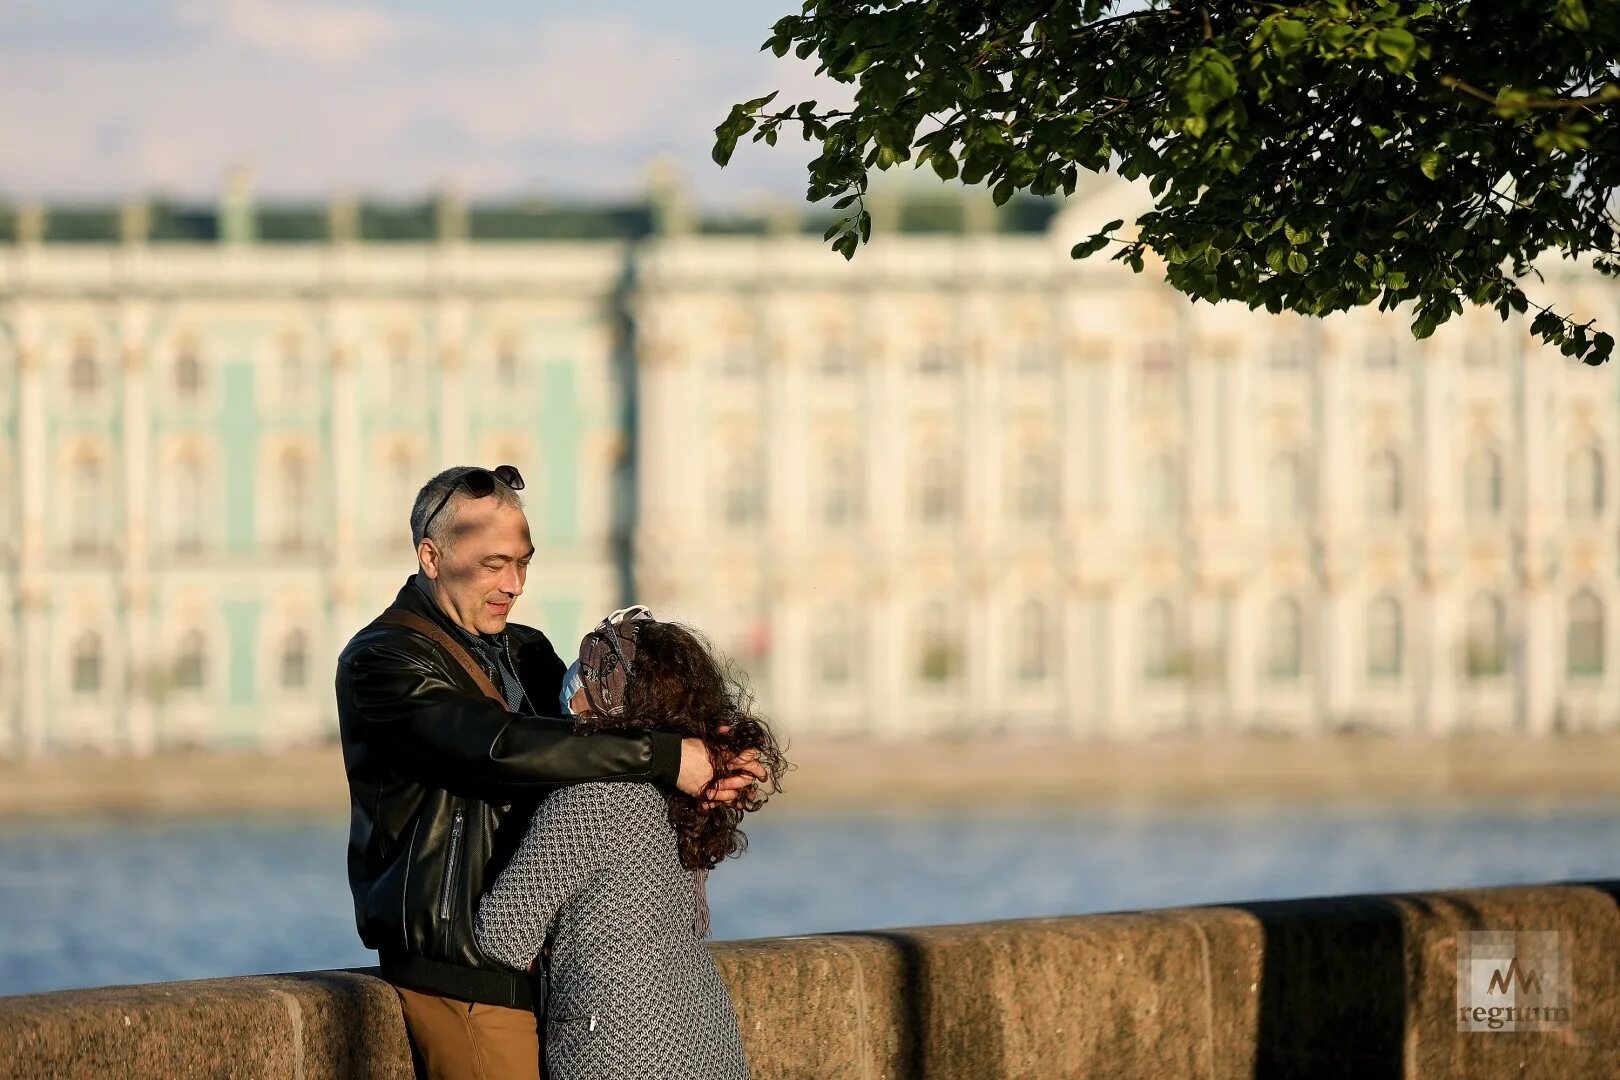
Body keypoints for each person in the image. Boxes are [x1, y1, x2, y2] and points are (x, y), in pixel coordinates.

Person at [335, 464, 766, 1080]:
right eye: (493, 564)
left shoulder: (525, 647)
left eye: (524, 562)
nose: (513, 583)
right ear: (432, 557)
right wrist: (668, 756)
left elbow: (595, 742)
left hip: (542, 968)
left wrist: (712, 755)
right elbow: (499, 746)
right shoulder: (382, 661)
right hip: (463, 970)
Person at [475, 608, 787, 1080]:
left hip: (619, 1048)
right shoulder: (686, 792)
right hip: (707, 1037)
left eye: (581, 677)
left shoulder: (589, 799)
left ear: (606, 701)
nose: (568, 687)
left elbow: (503, 937)